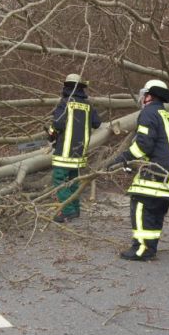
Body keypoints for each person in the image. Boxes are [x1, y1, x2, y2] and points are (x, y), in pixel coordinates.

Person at [109, 79, 169, 261]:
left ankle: (141, 249)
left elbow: (143, 144)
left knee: (140, 202)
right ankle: (150, 247)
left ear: (148, 96)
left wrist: (123, 158)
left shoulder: (148, 113)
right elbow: (159, 145)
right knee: (156, 208)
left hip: (161, 170)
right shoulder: (163, 114)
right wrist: (135, 163)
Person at [47, 74, 101, 223]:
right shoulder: (88, 105)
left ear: (67, 87)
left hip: (64, 152)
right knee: (73, 181)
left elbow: (57, 124)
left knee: (60, 180)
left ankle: (67, 211)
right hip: (80, 152)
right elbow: (97, 123)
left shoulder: (65, 103)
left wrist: (51, 133)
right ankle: (75, 209)